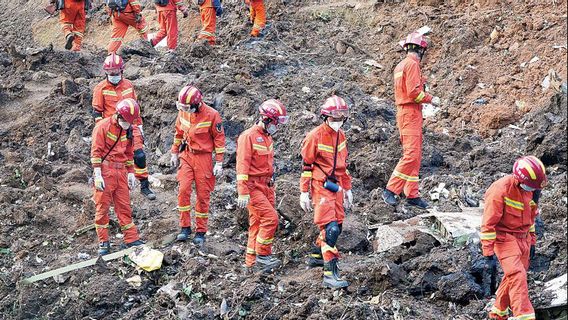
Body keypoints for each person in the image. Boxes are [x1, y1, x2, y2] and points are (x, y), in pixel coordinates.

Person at [480, 156, 547, 320]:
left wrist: (531, 241)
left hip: (523, 238)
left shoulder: (532, 189)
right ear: (520, 179)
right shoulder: (499, 190)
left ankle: (498, 312)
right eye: (531, 187)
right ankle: (523, 315)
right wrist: (488, 254)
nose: (533, 191)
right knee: (517, 275)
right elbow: (488, 224)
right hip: (504, 238)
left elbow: (531, 217)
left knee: (513, 276)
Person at [299, 95, 353, 288]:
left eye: (342, 117)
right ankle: (330, 274)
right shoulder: (315, 136)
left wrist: (347, 188)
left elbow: (343, 166)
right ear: (326, 116)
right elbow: (307, 165)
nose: (339, 121)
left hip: (336, 185)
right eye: (335, 117)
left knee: (337, 227)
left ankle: (316, 256)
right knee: (329, 229)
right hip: (321, 185)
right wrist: (304, 191)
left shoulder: (341, 136)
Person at [382, 31, 441, 209]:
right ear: (421, 50)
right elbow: (414, 93)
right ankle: (390, 190)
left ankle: (412, 193)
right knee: (411, 155)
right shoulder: (412, 65)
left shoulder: (400, 66)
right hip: (410, 113)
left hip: (406, 113)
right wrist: (431, 98)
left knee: (415, 156)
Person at [92, 53, 156, 200]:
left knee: (139, 155)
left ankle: (144, 186)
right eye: (110, 73)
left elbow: (135, 108)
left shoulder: (128, 85)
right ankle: (111, 185)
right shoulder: (100, 89)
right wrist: (101, 131)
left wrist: (139, 127)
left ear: (122, 70)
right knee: (113, 158)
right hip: (112, 128)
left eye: (116, 72)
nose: (113, 75)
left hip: (131, 125)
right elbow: (97, 113)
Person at [236, 99, 288, 272]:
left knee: (257, 223)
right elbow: (242, 167)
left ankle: (251, 263)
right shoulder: (248, 137)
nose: (277, 126)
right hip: (252, 187)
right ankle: (263, 257)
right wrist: (243, 192)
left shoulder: (267, 137)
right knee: (270, 218)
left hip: (267, 186)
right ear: (266, 119)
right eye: (275, 122)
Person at [170, 85, 226, 246]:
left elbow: (219, 139)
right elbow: (179, 132)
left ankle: (201, 231)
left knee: (203, 195)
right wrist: (174, 152)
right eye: (182, 107)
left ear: (197, 104)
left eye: (187, 107)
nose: (185, 110)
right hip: (187, 155)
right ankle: (185, 227)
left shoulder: (212, 115)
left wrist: (219, 162)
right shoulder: (183, 112)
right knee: (183, 189)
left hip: (204, 158)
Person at [90, 98, 145, 255]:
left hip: (120, 171)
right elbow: (96, 152)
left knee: (124, 206)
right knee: (102, 207)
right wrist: (98, 174)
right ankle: (103, 242)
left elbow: (128, 152)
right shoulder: (102, 127)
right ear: (119, 116)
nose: (129, 124)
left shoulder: (128, 129)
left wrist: (131, 173)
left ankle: (131, 238)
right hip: (106, 171)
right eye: (127, 121)